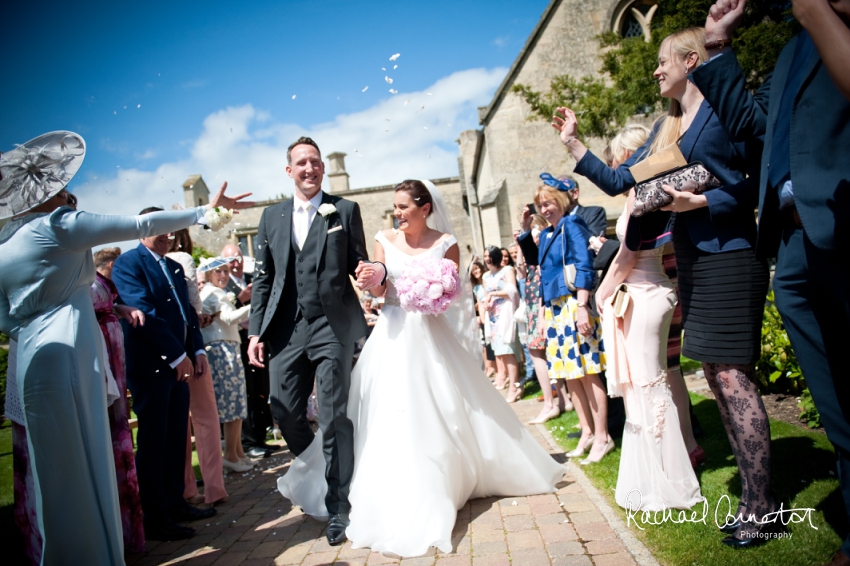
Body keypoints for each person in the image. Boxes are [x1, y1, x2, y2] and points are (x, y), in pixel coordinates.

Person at [555, 27, 773, 546]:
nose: (655, 70)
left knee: (733, 377)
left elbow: (754, 176)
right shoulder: (668, 126)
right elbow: (620, 181)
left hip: (731, 250)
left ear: (692, 60)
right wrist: (574, 144)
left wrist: (704, 203)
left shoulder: (724, 109)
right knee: (717, 378)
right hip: (696, 257)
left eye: (662, 61)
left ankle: (763, 506)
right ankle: (750, 498)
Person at [278, 179, 565, 557]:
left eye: (403, 207)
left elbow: (448, 298)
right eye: (394, 207)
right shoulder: (383, 239)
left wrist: (429, 292)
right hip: (392, 335)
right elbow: (377, 292)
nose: (397, 213)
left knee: (441, 404)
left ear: (424, 207)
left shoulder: (446, 244)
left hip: (430, 334)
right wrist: (374, 281)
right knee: (383, 409)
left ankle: (443, 480)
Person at [0, 130, 252, 560]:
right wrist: (205, 213)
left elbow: (6, 318)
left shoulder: (7, 241)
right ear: (51, 189)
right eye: (63, 190)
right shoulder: (58, 226)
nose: (70, 197)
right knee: (87, 455)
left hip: (31, 356)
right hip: (68, 350)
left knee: (53, 469)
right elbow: (141, 224)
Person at [693, 0, 850, 556]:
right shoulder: (790, 49)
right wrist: (717, 45)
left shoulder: (818, 22)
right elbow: (754, 130)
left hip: (840, 222)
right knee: (836, 409)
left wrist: (815, 14)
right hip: (791, 242)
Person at [246, 136, 386, 546]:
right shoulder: (271, 217)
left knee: (333, 414)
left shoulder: (344, 210)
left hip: (333, 326)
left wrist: (369, 271)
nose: (310, 168)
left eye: (316, 162)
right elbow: (264, 279)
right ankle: (319, 465)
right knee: (284, 411)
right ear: (288, 171)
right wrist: (256, 330)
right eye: (301, 163)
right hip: (286, 330)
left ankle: (339, 504)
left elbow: (360, 260)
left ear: (322, 168)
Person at [517, 185, 610, 465]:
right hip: (555, 310)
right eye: (540, 206)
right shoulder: (545, 234)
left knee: (589, 372)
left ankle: (603, 436)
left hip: (574, 303)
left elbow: (584, 264)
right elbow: (537, 264)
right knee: (570, 375)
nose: (545, 210)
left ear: (560, 201)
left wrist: (582, 307)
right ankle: (587, 432)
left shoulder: (572, 223)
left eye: (548, 204)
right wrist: (524, 227)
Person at [165, 233, 230, 506]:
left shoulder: (145, 262)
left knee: (180, 421)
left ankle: (187, 489)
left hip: (166, 349)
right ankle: (214, 488)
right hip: (190, 345)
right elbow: (194, 306)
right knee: (205, 419)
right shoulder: (182, 259)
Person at [91, 248, 147, 552]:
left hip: (114, 360)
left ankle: (124, 525)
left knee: (118, 436)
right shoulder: (80, 277)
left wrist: (121, 308)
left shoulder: (101, 282)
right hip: (95, 359)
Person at [199, 258, 254, 473]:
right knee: (232, 402)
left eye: (225, 271)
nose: (223, 276)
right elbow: (231, 318)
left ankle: (238, 451)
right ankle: (230, 453)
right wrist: (256, 305)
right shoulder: (213, 293)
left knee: (238, 401)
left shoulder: (217, 293)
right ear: (210, 275)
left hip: (228, 346)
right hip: (221, 349)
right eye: (218, 272)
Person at [221, 243, 275, 459]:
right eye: (231, 260)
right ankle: (249, 440)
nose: (236, 263)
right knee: (247, 391)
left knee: (261, 387)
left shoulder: (254, 278)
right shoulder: (224, 285)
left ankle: (261, 437)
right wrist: (240, 298)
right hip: (240, 342)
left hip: (262, 340)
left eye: (238, 258)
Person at [515, 214, 563, 424]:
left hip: (540, 303)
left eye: (535, 234)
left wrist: (526, 230)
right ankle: (561, 400)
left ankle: (552, 403)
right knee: (542, 351)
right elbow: (520, 269)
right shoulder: (534, 256)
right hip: (534, 302)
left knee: (539, 351)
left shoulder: (544, 250)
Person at [482, 246, 522, 402]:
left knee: (509, 349)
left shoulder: (507, 270)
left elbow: (512, 290)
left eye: (489, 256)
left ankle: (515, 385)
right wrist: (486, 303)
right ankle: (508, 381)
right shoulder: (486, 276)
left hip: (506, 312)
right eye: (485, 256)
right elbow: (486, 295)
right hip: (493, 316)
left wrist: (494, 293)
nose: (486, 259)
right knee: (500, 351)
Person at [469, 260, 497, 378]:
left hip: (493, 312)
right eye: (474, 269)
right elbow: (479, 303)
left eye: (478, 268)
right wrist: (481, 317)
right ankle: (494, 369)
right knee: (487, 344)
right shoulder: (475, 288)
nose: (477, 271)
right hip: (483, 316)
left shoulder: (487, 280)